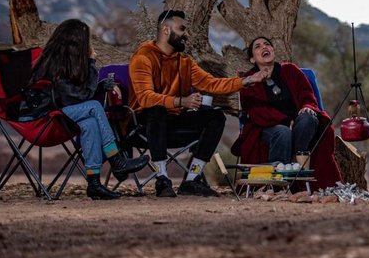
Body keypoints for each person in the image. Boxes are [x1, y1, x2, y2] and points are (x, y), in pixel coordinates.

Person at [128, 10, 269, 198]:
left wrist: (247, 80)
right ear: (165, 30)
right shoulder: (143, 57)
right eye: (182, 29)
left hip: (174, 124)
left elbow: (211, 83)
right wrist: (181, 101)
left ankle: (192, 179)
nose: (187, 34)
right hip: (144, 127)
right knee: (157, 109)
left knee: (216, 116)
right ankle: (162, 179)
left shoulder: (185, 62)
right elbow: (145, 98)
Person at [29, 19, 150, 200]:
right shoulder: (55, 65)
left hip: (61, 112)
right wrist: (92, 63)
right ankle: (117, 160)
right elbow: (78, 98)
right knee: (94, 107)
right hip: (45, 116)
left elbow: (76, 95)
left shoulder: (60, 62)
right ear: (76, 43)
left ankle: (94, 184)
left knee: (90, 123)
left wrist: (101, 85)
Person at [232, 36, 342, 190]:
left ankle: (297, 176)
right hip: (267, 126)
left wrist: (307, 106)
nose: (264, 47)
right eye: (258, 46)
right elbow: (256, 111)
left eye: (267, 44)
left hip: (299, 123)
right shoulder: (249, 80)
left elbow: (307, 95)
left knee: (308, 118)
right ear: (252, 59)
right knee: (283, 132)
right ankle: (279, 186)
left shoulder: (291, 70)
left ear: (273, 50)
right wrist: (284, 120)